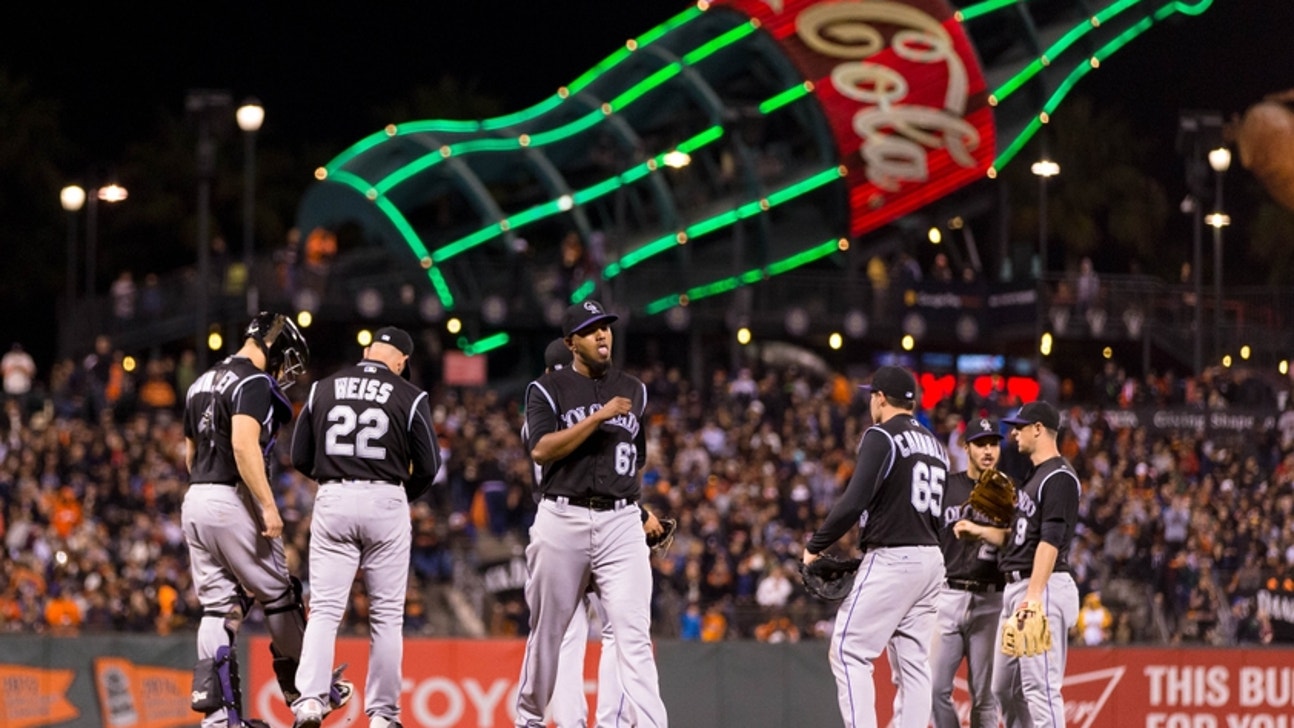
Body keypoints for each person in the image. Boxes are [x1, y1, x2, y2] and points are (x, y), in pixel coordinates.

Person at [181, 312, 350, 728]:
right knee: (280, 595)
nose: (286, 368)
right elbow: (242, 443)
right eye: (287, 356)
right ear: (273, 345)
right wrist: (267, 505)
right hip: (232, 496)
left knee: (217, 609)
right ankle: (312, 692)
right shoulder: (254, 381)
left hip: (196, 497)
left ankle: (218, 719)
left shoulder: (201, 381)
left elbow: (188, 453)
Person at [514, 301, 668, 728]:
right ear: (571, 344)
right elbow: (541, 448)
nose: (602, 334)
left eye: (605, 327)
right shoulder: (546, 390)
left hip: (619, 519)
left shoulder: (634, 389)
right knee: (552, 632)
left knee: (633, 635)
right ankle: (530, 718)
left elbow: (632, 459)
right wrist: (599, 416)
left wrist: (637, 511)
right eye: (590, 329)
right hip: (562, 516)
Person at [290, 326, 442, 728]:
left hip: (334, 495)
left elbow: (298, 455)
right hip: (386, 498)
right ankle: (382, 715)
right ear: (400, 360)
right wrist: (397, 495)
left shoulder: (324, 387)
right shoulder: (410, 395)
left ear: (369, 350)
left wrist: (333, 476)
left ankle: (309, 700)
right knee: (387, 617)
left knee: (323, 609)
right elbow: (429, 467)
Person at [801, 365, 947, 728]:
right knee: (914, 663)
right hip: (931, 559)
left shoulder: (881, 435)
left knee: (849, 650)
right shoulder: (936, 446)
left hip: (895, 557)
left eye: (872, 395)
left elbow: (854, 500)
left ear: (880, 398)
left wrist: (816, 545)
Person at [955, 401, 1080, 728]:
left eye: (1020, 426)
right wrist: (981, 531)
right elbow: (1020, 538)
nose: (1014, 433)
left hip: (1043, 586)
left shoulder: (1059, 477)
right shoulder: (1034, 477)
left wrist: (1034, 597)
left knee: (1041, 689)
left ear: (1038, 429)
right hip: (1019, 586)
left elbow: (1050, 541)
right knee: (1004, 689)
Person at [931, 416, 1006, 728]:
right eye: (980, 444)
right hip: (947, 595)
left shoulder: (1007, 491)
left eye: (993, 444)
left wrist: (980, 531)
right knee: (934, 689)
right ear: (966, 447)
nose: (988, 450)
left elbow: (1017, 540)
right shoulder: (947, 487)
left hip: (990, 599)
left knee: (985, 697)